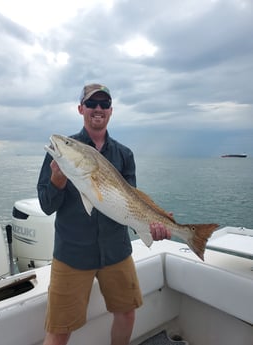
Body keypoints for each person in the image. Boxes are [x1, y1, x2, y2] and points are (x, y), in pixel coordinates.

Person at [37, 83, 171, 345]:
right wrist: (57, 181)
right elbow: (46, 205)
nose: (97, 109)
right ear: (81, 109)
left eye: (104, 104)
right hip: (72, 254)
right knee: (59, 328)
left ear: (110, 111)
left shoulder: (124, 154)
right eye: (91, 104)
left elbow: (131, 203)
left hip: (116, 251)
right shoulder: (60, 155)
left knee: (127, 314)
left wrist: (152, 224)